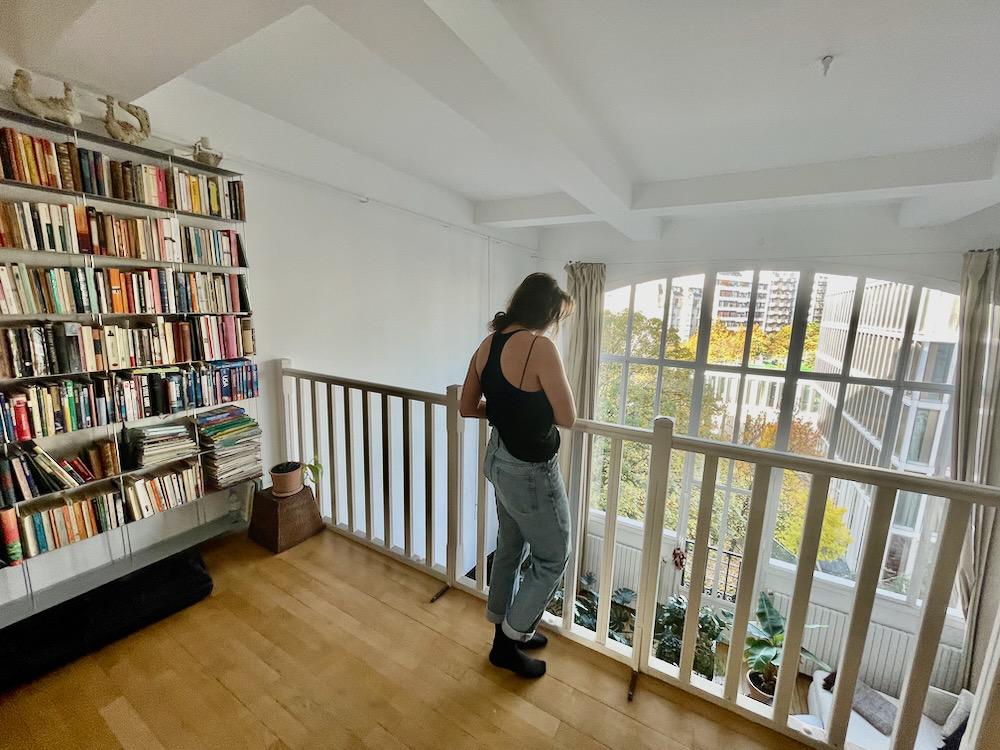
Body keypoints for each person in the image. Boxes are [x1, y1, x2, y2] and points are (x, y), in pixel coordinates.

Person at [460, 273, 576, 678]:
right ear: (546, 313)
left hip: (498, 459)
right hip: (529, 469)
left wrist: (503, 409)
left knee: (509, 547)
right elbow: (567, 417)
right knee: (554, 555)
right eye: (557, 316)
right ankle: (511, 639)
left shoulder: (488, 344)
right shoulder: (540, 347)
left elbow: (466, 406)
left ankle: (504, 628)